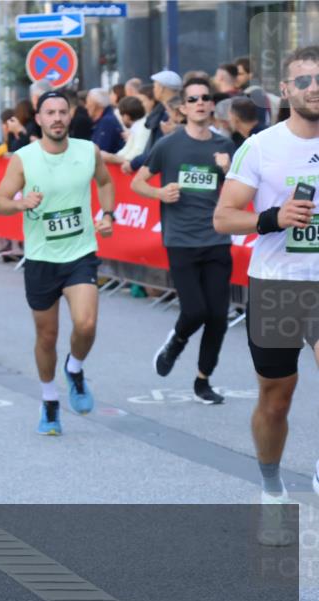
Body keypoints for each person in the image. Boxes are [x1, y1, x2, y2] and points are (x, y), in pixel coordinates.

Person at [214, 45, 319, 546]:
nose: (313, 88)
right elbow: (224, 216)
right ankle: (272, 489)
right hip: (277, 286)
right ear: (286, 91)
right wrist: (272, 218)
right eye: (303, 81)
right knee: (276, 400)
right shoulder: (260, 147)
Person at [0, 90, 115, 435]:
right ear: (40, 117)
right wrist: (21, 203)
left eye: (63, 111)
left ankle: (74, 369)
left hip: (80, 254)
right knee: (47, 337)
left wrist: (107, 214)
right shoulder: (24, 158)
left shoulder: (87, 151)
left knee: (86, 324)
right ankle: (49, 400)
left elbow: (105, 181)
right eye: (50, 112)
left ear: (71, 115)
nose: (57, 118)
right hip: (41, 259)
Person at [130, 77, 236, 403]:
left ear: (212, 104)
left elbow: (241, 192)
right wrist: (160, 192)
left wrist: (229, 170)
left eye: (205, 98)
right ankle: (176, 341)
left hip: (217, 239)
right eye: (193, 99)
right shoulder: (169, 145)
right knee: (195, 311)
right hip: (181, 240)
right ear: (183, 108)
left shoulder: (224, 147)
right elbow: (138, 183)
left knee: (218, 316)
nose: (200, 103)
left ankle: (203, 381)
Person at [124, 70, 182, 175]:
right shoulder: (159, 111)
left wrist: (134, 164)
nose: (154, 89)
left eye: (155, 86)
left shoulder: (168, 115)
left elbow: (157, 147)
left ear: (162, 88)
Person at [102, 95, 149, 165]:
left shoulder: (143, 126)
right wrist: (113, 157)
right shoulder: (138, 126)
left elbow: (137, 152)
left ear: (126, 116)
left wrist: (113, 158)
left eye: (121, 116)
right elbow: (128, 148)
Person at [87, 88, 125, 154]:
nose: (86, 106)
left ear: (96, 105)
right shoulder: (105, 119)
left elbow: (99, 151)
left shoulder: (107, 122)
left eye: (88, 103)